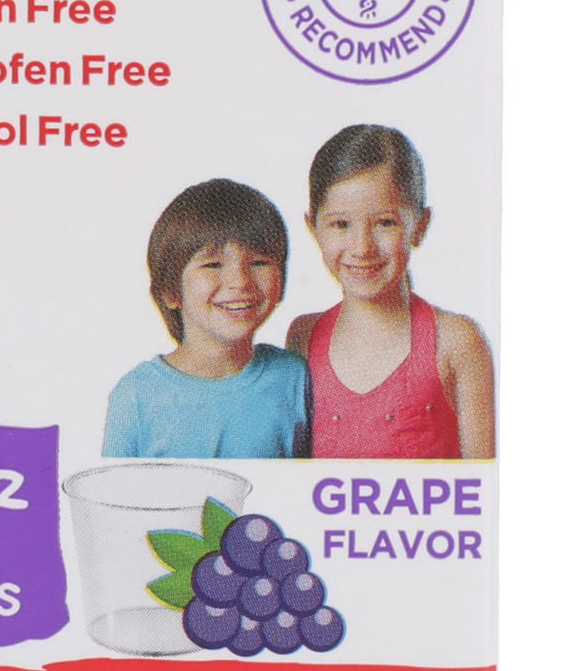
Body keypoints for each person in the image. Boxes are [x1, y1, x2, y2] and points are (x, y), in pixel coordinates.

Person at [286, 126, 495, 459]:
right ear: (314, 228)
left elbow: (483, 481)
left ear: (420, 226)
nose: (362, 248)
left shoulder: (457, 341)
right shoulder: (303, 336)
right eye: (341, 224)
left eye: (386, 223)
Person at [103, 178, 311, 458]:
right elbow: (112, 486)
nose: (240, 281)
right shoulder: (135, 396)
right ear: (170, 292)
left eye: (259, 262)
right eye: (213, 265)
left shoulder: (294, 377)